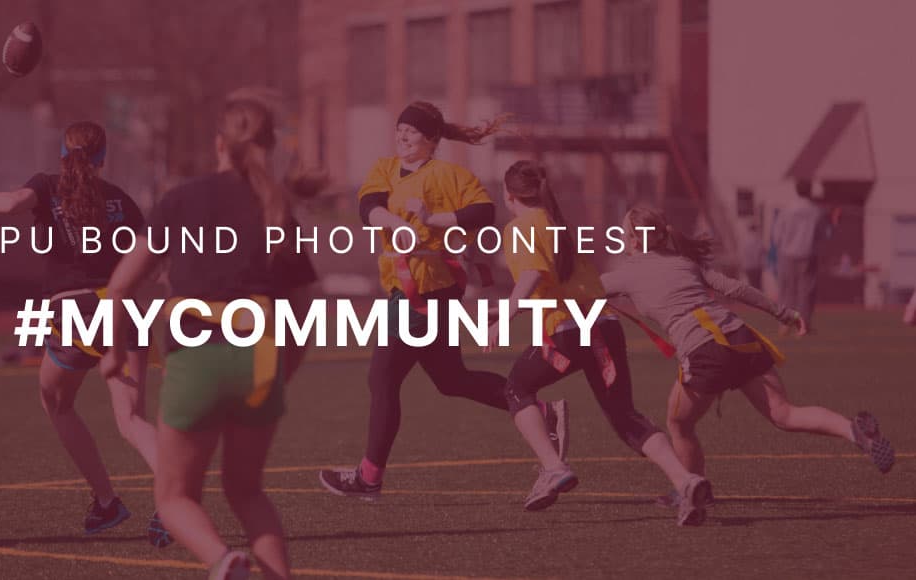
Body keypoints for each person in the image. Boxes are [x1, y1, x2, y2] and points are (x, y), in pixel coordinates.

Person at [101, 94, 319, 580]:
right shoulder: (278, 206)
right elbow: (305, 311)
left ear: (220, 144)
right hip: (260, 359)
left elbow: (120, 284)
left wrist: (114, 352)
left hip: (196, 356)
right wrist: (283, 372)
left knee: (175, 496)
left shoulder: (181, 199)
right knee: (247, 493)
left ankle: (224, 563)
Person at [0, 121, 172, 545]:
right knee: (131, 419)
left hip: (77, 308)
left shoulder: (47, 186)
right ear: (104, 157)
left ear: (63, 153)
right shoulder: (121, 199)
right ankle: (172, 501)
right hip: (125, 310)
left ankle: (106, 500)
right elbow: (154, 264)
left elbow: (9, 204)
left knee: (55, 401)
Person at [318, 101, 569, 502]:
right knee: (451, 380)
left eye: (412, 131)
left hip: (432, 293)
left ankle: (368, 478)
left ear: (432, 140)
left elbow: (483, 212)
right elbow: (369, 208)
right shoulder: (384, 169)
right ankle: (540, 413)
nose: (402, 136)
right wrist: (399, 224)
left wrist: (435, 218)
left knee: (382, 377)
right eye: (399, 128)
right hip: (403, 291)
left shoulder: (451, 175)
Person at [602, 207, 894, 498]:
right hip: (740, 337)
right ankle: (853, 430)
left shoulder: (628, 274)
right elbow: (736, 288)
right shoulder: (685, 262)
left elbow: (579, 292)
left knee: (678, 423)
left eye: (623, 234)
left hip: (704, 351)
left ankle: (692, 488)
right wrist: (784, 313)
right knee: (785, 414)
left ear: (636, 241)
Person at [493, 161, 712, 527]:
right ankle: (686, 480)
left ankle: (552, 467)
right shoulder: (558, 223)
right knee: (624, 415)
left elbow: (532, 274)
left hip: (570, 328)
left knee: (516, 387)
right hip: (605, 325)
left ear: (508, 194)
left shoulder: (519, 229)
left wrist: (506, 317)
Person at [772, 180, 830, 333]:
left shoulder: (787, 209)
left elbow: (777, 234)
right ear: (810, 191)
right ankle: (803, 326)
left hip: (787, 254)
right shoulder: (816, 211)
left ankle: (784, 324)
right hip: (808, 254)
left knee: (787, 290)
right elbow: (823, 235)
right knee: (806, 291)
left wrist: (781, 247)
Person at [740, 222, 764, 289]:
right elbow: (760, 252)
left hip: (748, 267)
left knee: (752, 285)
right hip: (756, 266)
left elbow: (743, 254)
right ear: (755, 229)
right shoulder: (758, 239)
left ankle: (753, 298)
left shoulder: (744, 240)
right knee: (758, 285)